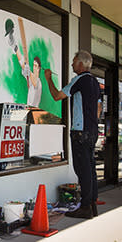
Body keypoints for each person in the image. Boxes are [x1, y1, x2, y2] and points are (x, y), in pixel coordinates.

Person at [45, 50, 101, 219]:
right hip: (92, 131)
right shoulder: (95, 82)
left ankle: (84, 208)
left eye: (74, 62)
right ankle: (91, 204)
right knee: (90, 168)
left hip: (80, 132)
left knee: (82, 170)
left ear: (81, 64)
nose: (71, 64)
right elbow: (98, 109)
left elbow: (57, 96)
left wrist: (48, 78)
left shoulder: (80, 80)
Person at [5, 18, 42, 107]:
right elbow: (22, 62)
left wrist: (28, 70)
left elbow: (34, 80)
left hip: (34, 112)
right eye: (33, 65)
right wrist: (14, 46)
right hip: (28, 109)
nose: (34, 67)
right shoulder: (30, 76)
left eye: (36, 66)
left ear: (39, 68)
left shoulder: (38, 83)